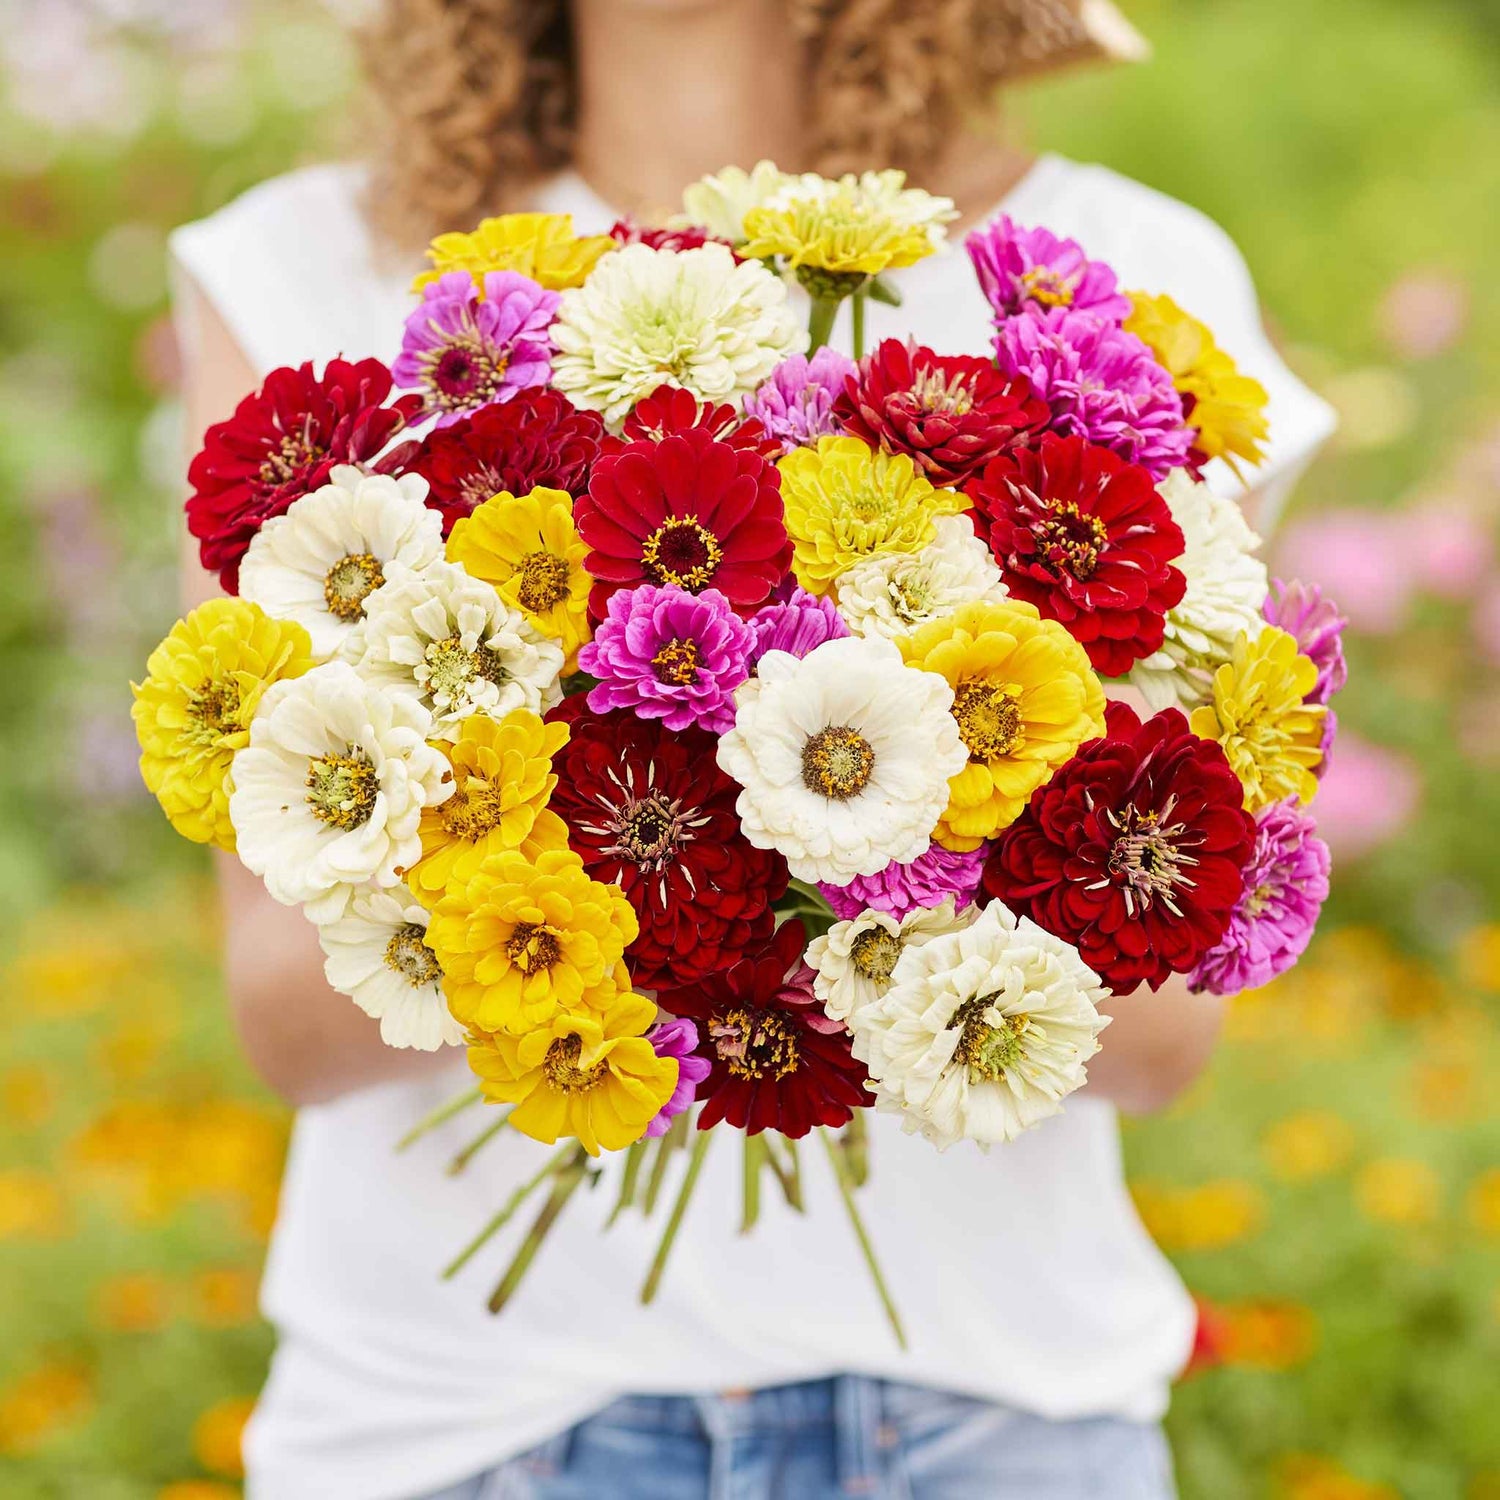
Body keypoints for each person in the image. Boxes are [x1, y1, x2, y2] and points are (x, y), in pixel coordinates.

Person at [168, 3, 1336, 1497]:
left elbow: (1163, 1034)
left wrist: (772, 827)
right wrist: (716, 844)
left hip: (990, 1411)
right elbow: (290, 1011)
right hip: (466, 1420)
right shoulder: (315, 268)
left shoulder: (1112, 291)